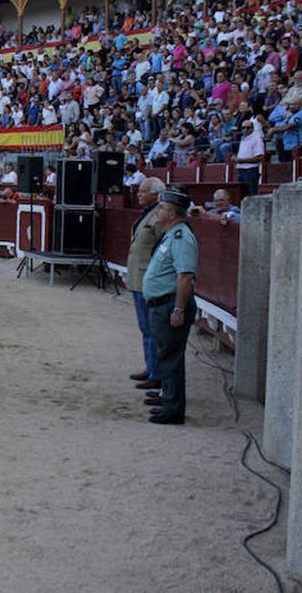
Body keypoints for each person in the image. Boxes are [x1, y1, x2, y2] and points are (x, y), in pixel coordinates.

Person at [141, 188, 199, 425]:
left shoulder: (181, 237)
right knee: (166, 354)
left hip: (169, 305)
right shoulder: (172, 234)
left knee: (171, 357)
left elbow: (185, 276)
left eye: (163, 208)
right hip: (162, 304)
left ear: (173, 213)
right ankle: (168, 398)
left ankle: (173, 409)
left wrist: (178, 309)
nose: (159, 211)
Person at [126, 176, 164, 392]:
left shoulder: (160, 216)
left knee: (152, 329)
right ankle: (150, 368)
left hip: (148, 279)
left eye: (143, 191)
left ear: (156, 194)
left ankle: (156, 373)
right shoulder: (149, 214)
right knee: (145, 327)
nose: (138, 194)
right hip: (139, 278)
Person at [231, 119, 265, 196]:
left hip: (251, 170)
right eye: (243, 128)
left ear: (252, 129)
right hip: (241, 170)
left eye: (248, 128)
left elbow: (259, 157)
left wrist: (242, 160)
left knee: (251, 194)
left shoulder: (257, 139)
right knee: (242, 194)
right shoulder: (243, 139)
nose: (245, 130)